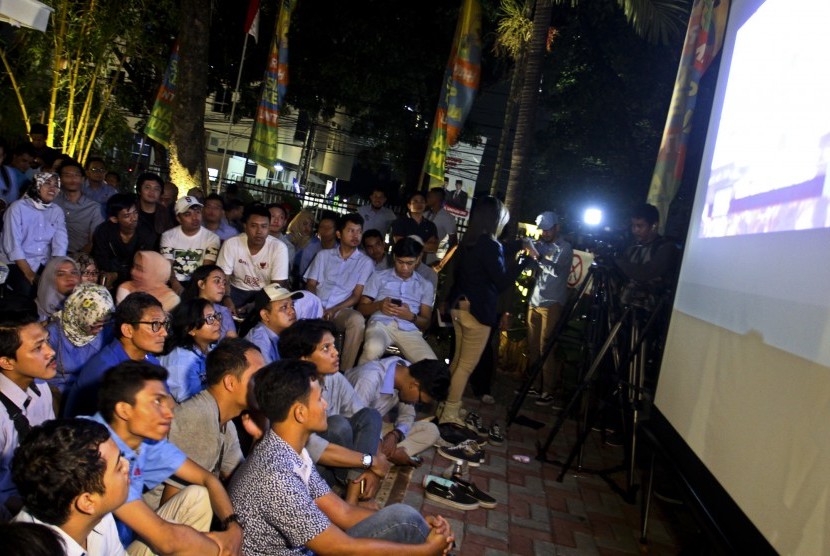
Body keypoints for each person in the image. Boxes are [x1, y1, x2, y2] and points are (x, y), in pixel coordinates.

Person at [228, 358, 454, 555]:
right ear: (300, 412)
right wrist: (424, 550)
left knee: (405, 518)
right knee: (409, 529)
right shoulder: (277, 478)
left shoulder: (291, 451)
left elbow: (344, 513)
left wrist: (414, 526)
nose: (326, 404)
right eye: (319, 399)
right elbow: (340, 548)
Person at [90, 361, 242, 555]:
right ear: (124, 410)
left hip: (123, 544)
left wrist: (233, 527)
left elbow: (208, 479)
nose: (170, 413)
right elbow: (166, 540)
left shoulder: (144, 440)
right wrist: (221, 548)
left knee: (198, 496)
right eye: (157, 402)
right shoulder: (96, 449)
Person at [278, 319, 384, 505]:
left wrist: (372, 464)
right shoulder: (291, 392)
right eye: (326, 348)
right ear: (305, 359)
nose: (336, 353)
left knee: (370, 415)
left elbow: (361, 416)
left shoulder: (333, 377)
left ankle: (352, 497)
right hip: (310, 470)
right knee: (337, 425)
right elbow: (315, 448)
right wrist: (370, 462)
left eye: (334, 346)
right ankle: (355, 495)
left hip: (340, 467)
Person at [152, 338, 265, 509]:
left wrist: (259, 437)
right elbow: (174, 507)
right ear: (230, 382)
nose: (266, 384)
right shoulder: (198, 417)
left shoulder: (225, 421)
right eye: (258, 377)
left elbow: (242, 485)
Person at [440, 196, 523, 426]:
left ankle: (445, 405)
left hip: (459, 307)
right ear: (495, 218)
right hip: (477, 313)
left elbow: (496, 252)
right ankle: (450, 413)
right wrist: (524, 262)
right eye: (503, 216)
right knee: (465, 367)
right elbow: (502, 280)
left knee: (457, 362)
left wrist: (519, 245)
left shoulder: (471, 241)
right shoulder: (490, 244)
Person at [11, 419, 129, 555]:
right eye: (118, 467)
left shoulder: (99, 511)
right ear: (88, 502)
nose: (127, 464)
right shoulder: (31, 550)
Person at [63, 292, 166, 418]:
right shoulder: (104, 371)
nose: (164, 333)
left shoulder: (151, 362)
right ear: (128, 330)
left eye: (164, 324)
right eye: (155, 325)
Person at [0, 312, 56, 520]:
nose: (51, 352)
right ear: (7, 362)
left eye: (47, 342)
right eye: (38, 347)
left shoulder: (41, 389)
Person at [304, 213, 373, 371]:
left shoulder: (365, 262)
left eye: (358, 231)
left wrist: (334, 309)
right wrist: (318, 305)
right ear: (339, 234)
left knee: (357, 321)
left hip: (341, 311)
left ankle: (343, 371)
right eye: (350, 231)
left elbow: (356, 295)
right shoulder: (323, 256)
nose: (355, 235)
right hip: (317, 305)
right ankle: (299, 363)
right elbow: (311, 284)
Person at [346, 357, 449, 463]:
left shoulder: (407, 374)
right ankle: (384, 458)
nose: (417, 403)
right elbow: (354, 424)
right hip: (348, 429)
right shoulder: (368, 379)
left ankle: (383, 456)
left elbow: (407, 416)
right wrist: (379, 443)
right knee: (367, 448)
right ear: (414, 385)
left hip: (375, 428)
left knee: (431, 431)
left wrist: (395, 435)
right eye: (419, 400)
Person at [357, 237, 436, 364]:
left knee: (430, 365)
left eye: (410, 263)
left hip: (410, 330)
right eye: (400, 262)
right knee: (372, 349)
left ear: (418, 260)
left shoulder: (425, 285)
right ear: (394, 257)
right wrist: (379, 305)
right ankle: (361, 382)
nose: (404, 267)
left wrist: (411, 317)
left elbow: (426, 322)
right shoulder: (379, 277)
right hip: (380, 324)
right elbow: (361, 308)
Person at [523, 211, 573, 406]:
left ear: (557, 228)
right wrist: (528, 249)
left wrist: (537, 257)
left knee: (547, 347)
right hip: (535, 300)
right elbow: (529, 265)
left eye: (548, 229)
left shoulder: (565, 248)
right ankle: (534, 385)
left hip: (552, 302)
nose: (544, 233)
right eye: (542, 230)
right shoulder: (541, 244)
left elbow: (556, 271)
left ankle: (548, 390)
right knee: (533, 345)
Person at [0, 172, 68, 298]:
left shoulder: (57, 211)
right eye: (47, 183)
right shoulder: (17, 208)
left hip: (42, 261)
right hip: (13, 262)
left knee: (57, 288)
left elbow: (60, 244)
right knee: (27, 289)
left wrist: (56, 269)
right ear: (36, 186)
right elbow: (13, 246)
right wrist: (29, 273)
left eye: (56, 185)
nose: (52, 188)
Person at [216, 204, 289, 311]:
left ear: (269, 227)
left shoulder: (279, 248)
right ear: (245, 226)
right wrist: (226, 298)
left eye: (264, 226)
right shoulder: (231, 243)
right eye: (254, 226)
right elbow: (223, 278)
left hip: (265, 293)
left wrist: (256, 304)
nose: (259, 231)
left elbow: (277, 285)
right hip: (235, 290)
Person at [46, 282, 115, 397]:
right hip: (58, 392)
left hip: (91, 388)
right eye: (95, 325)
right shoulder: (53, 334)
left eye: (104, 323)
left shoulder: (106, 330)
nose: (100, 329)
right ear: (81, 314)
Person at [615, 203, 679, 312]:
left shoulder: (666, 247)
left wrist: (617, 261)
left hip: (650, 312)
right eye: (633, 225)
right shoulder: (633, 246)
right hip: (626, 307)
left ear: (654, 226)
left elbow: (645, 273)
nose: (635, 230)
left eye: (640, 226)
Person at [158, 298, 222, 403]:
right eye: (210, 318)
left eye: (216, 316)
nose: (217, 322)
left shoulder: (211, 348)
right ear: (191, 329)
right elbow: (191, 407)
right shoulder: (180, 362)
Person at [91, 194, 156, 287]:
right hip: (109, 275)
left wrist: (118, 274)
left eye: (135, 212)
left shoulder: (147, 232)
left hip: (137, 278)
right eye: (127, 215)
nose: (134, 218)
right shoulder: (104, 231)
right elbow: (101, 260)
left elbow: (145, 264)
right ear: (114, 219)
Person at [160, 196, 220, 294]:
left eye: (197, 212)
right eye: (188, 214)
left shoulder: (212, 238)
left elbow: (205, 270)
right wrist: (175, 284)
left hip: (198, 282)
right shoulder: (168, 236)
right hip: (173, 281)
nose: (195, 217)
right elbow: (167, 266)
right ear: (178, 218)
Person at [240, 284, 303, 365]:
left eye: (292, 305)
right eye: (284, 307)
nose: (292, 311)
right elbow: (271, 376)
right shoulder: (258, 342)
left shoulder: (286, 334)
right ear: (265, 315)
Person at [55, 158, 104, 254]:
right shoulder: (53, 201)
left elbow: (93, 242)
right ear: (60, 179)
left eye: (76, 175)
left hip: (78, 256)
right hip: (50, 254)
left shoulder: (94, 208)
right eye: (67, 175)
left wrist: (74, 259)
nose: (72, 179)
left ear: (83, 179)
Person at [181, 264, 237, 340]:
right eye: (217, 281)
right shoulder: (188, 310)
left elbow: (233, 342)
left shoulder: (224, 311)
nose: (223, 286)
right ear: (201, 284)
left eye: (224, 283)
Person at [115, 251, 180, 312]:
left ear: (156, 274)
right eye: (134, 267)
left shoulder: (171, 299)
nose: (133, 272)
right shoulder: (126, 288)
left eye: (140, 269)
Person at [35, 256, 80, 322]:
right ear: (50, 279)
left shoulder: (89, 304)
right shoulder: (36, 313)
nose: (70, 278)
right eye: (61, 274)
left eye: (73, 273)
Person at [133, 172, 174, 245]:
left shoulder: (165, 214)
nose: (152, 192)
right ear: (139, 190)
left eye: (156, 189)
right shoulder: (130, 210)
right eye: (147, 187)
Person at [424, 187, 458, 265]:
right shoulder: (425, 214)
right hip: (416, 257)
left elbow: (454, 243)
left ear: (437, 198)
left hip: (431, 259)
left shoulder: (447, 217)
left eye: (430, 196)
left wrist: (442, 263)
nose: (427, 199)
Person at [267, 203, 296, 269]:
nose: (276, 220)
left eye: (281, 217)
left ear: (285, 222)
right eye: (272, 216)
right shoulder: (254, 239)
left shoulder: (288, 247)